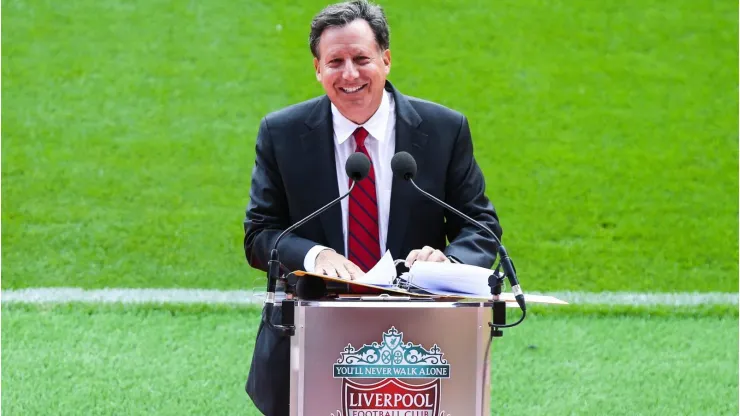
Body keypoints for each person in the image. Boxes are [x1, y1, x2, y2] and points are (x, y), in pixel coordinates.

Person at [242, 1, 503, 414]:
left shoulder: (443, 130)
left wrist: (447, 261)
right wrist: (314, 253)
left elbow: (481, 227)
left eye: (361, 59)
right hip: (309, 338)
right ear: (317, 68)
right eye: (335, 61)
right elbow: (259, 234)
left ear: (386, 59)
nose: (349, 74)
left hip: (420, 346)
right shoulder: (282, 134)